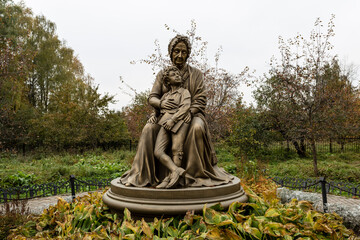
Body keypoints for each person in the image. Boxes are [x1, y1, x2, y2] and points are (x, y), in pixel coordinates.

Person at [120, 34, 233, 187]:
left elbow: (200, 100)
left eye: (184, 52)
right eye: (176, 51)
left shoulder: (196, 74)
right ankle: (144, 175)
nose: (180, 55)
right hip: (166, 116)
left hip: (191, 115)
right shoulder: (163, 74)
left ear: (188, 54)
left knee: (197, 127)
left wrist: (189, 112)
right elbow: (152, 97)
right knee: (148, 129)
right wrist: (160, 106)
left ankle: (194, 175)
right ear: (171, 52)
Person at [153, 66, 191, 188]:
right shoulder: (164, 96)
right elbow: (159, 110)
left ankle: (171, 179)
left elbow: (185, 107)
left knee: (176, 150)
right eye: (173, 74)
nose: (177, 75)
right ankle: (176, 170)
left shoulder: (184, 92)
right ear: (167, 81)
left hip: (179, 121)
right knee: (158, 151)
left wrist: (173, 120)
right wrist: (154, 115)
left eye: (178, 74)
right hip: (165, 122)